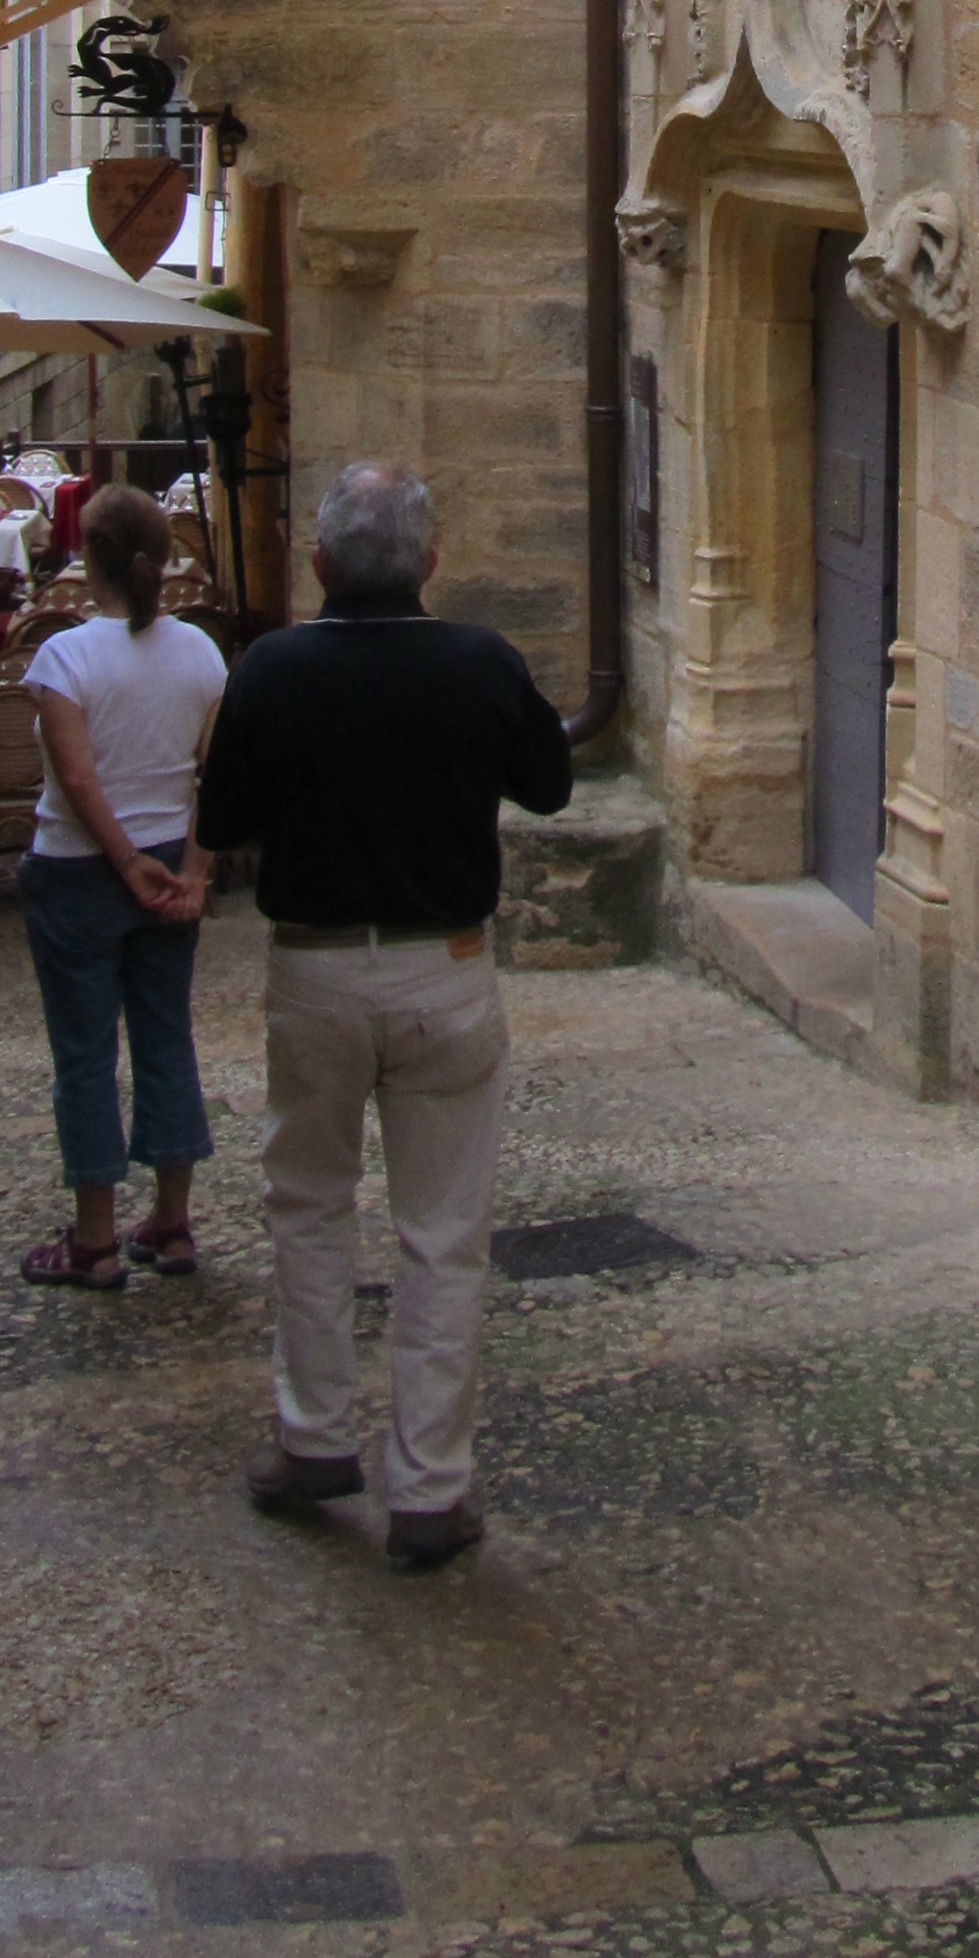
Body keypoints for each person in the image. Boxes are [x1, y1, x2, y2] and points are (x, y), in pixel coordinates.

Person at [194, 460, 572, 1569]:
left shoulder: (273, 668)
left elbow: (223, 816)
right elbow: (549, 784)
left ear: (318, 563)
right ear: (431, 561)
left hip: (316, 968)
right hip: (442, 968)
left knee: (308, 1206)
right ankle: (430, 1488)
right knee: (444, 1233)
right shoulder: (479, 661)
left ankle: (314, 1436)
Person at [16, 483, 228, 1291]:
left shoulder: (65, 657)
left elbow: (76, 778)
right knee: (166, 1037)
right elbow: (218, 773)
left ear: (87, 555)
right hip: (171, 854)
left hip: (80, 866)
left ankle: (95, 1236)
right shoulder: (200, 653)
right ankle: (172, 1222)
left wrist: (121, 857)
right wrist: (195, 869)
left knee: (84, 1054)